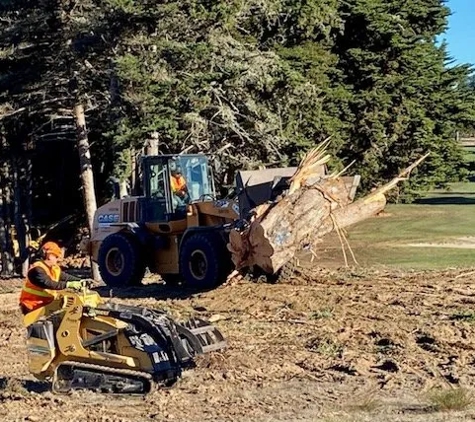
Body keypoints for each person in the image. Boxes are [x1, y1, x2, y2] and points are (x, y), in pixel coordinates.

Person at [19, 241, 86, 315]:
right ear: (49, 255)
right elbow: (48, 283)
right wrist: (68, 284)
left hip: (45, 304)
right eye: (56, 257)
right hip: (31, 305)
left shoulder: (54, 268)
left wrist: (81, 281)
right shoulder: (37, 269)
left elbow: (65, 277)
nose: (58, 260)